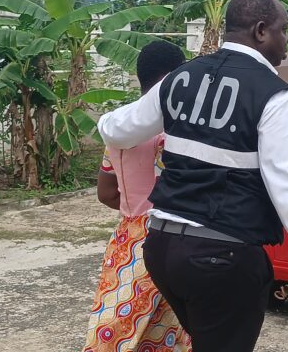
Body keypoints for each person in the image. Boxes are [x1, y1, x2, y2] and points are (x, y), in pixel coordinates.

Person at [97, 0, 288, 351]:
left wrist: (107, 120)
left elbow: (115, 129)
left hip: (162, 250)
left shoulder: (180, 79)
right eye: (284, 30)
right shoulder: (275, 97)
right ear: (261, 31)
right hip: (222, 258)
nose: (287, 43)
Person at [84, 41, 190, 352]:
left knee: (116, 329)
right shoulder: (174, 128)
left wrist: (134, 209)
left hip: (125, 242)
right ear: (175, 78)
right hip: (171, 236)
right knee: (169, 330)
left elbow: (106, 192)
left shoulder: (118, 127)